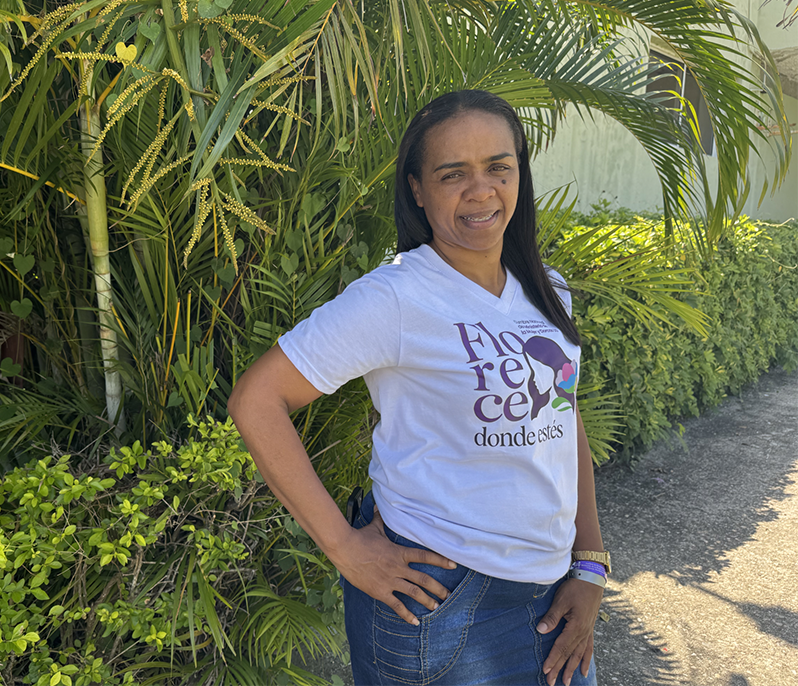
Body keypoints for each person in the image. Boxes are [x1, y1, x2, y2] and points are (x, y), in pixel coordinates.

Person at [228, 90, 607, 686]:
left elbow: (563, 417)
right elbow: (256, 401)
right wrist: (345, 548)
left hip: (553, 600)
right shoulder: (396, 298)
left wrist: (590, 565)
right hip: (440, 609)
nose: (481, 191)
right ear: (417, 189)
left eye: (499, 167)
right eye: (453, 174)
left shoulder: (546, 287)